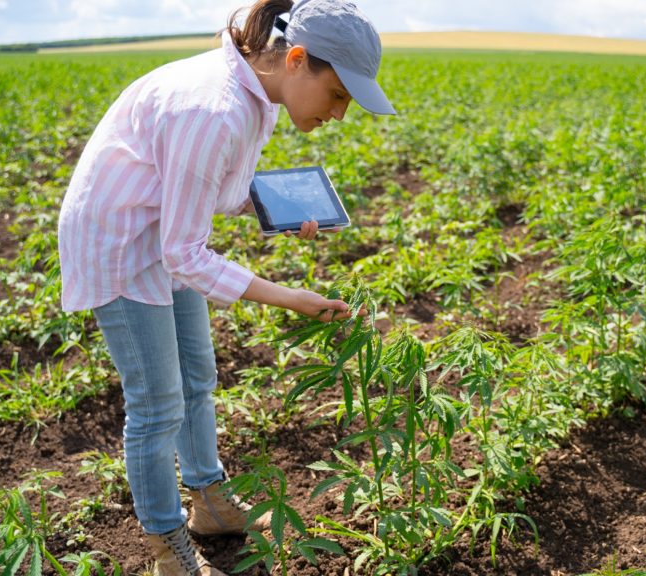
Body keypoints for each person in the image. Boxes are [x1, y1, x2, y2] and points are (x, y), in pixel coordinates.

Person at [56, 0, 395, 573]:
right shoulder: (213, 109)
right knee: (156, 403)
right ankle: (169, 549)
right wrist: (292, 298)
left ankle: (211, 504)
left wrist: (275, 209)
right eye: (338, 94)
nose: (339, 114)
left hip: (161, 229)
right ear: (295, 59)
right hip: (120, 243)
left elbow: (212, 189)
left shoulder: (255, 96)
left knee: (197, 378)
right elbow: (184, 254)